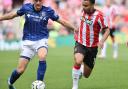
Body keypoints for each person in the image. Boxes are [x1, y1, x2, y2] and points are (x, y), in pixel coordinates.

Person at [0, 0, 75, 89]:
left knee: (42, 56)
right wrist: (1, 18)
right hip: (28, 42)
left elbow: (61, 21)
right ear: (33, 1)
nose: (38, 2)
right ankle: (10, 82)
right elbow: (12, 15)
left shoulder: (48, 11)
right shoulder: (26, 8)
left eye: (40, 0)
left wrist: (75, 28)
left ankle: (39, 84)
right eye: (36, 0)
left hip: (41, 39)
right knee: (20, 70)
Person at [72, 0, 110, 89]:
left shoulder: (100, 16)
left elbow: (107, 30)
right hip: (80, 42)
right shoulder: (82, 11)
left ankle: (80, 70)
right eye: (83, 5)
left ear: (93, 4)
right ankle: (75, 86)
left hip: (92, 48)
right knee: (78, 60)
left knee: (86, 75)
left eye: (86, 5)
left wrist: (102, 41)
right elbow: (82, 23)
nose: (84, 7)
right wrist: (77, 29)